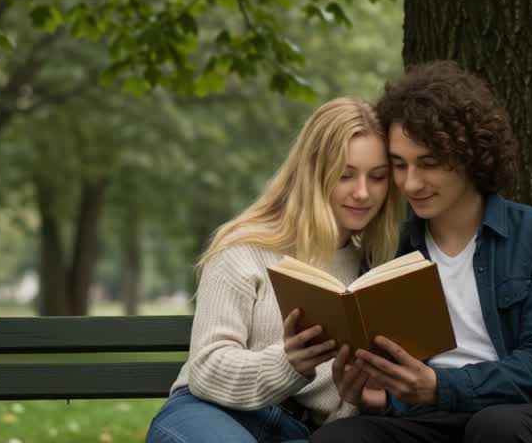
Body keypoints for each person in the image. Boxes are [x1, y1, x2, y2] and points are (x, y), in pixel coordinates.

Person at [312, 61, 532, 443]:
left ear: (471, 156)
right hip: (426, 419)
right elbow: (397, 375)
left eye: (428, 164)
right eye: (399, 165)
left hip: (521, 416)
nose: (411, 183)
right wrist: (379, 397)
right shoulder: (394, 249)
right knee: (338, 440)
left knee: (495, 428)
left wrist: (440, 386)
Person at [145, 97, 406, 443]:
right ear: (314, 173)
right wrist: (287, 363)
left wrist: (366, 398)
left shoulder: (376, 268)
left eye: (377, 177)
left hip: (303, 432)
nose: (362, 193)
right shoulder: (245, 248)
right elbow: (206, 370)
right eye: (345, 175)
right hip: (213, 413)